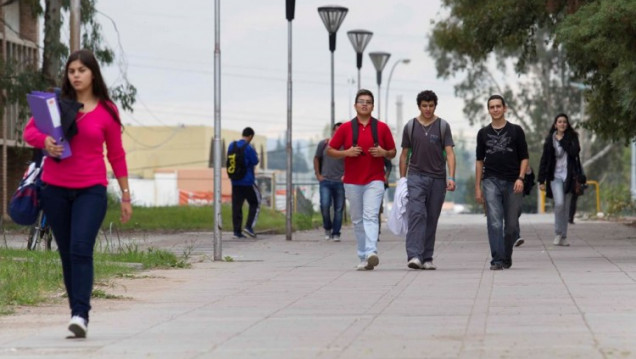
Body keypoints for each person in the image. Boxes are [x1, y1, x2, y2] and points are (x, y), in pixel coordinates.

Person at [23, 49, 132, 338]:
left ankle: (81, 314)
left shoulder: (108, 110)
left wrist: (126, 195)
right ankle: (76, 312)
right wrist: (46, 140)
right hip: (54, 189)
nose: (76, 75)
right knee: (68, 255)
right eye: (72, 71)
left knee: (81, 248)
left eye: (82, 70)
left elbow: (117, 155)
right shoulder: (57, 104)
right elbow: (29, 132)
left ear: (93, 73)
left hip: (91, 190)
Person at [327, 89, 396, 271]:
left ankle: (372, 252)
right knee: (357, 219)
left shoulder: (382, 128)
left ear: (373, 106)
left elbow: (393, 151)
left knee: (371, 215)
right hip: (352, 180)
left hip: (375, 179)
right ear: (355, 105)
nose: (364, 104)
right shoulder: (345, 128)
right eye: (361, 101)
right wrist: (346, 152)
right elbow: (330, 150)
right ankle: (363, 256)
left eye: (368, 101)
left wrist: (383, 153)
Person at [399, 90, 456, 270]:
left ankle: (427, 257)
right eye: (424, 106)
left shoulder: (442, 126)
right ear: (419, 106)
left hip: (438, 179)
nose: (428, 109)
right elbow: (404, 155)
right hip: (415, 176)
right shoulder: (410, 126)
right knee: (417, 214)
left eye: (431, 105)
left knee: (432, 217)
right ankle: (414, 255)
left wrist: (451, 177)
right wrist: (402, 179)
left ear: (435, 106)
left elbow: (450, 153)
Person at [475, 95, 529, 270]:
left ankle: (506, 256)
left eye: (499, 106)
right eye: (492, 107)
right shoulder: (483, 133)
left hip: (513, 182)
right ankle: (497, 259)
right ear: (488, 110)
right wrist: (478, 187)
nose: (495, 109)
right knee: (495, 221)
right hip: (490, 180)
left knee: (512, 225)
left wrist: (521, 178)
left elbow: (524, 158)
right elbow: (479, 161)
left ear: (505, 108)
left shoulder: (516, 131)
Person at [538, 113, 581, 247]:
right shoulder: (549, 140)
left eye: (564, 122)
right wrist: (541, 180)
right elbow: (544, 160)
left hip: (569, 177)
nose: (562, 124)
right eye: (559, 122)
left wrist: (562, 140)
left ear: (567, 125)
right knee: (559, 204)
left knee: (566, 207)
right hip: (554, 177)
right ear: (555, 124)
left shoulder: (572, 137)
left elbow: (575, 151)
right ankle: (557, 233)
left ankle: (564, 236)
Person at [313, 122, 345, 242]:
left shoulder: (346, 146)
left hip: (340, 181)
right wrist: (318, 174)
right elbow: (316, 158)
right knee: (325, 205)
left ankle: (336, 233)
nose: (338, 133)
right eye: (336, 131)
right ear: (332, 132)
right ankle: (327, 228)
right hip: (325, 180)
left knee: (339, 208)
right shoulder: (324, 144)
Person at [228, 127, 261, 239]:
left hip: (235, 181)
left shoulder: (232, 145)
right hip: (247, 181)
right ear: (251, 136)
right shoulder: (249, 147)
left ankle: (237, 232)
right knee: (255, 202)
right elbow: (255, 161)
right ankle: (249, 227)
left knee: (236, 206)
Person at [514, 166, 535, 247]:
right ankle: (515, 236)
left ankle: (512, 234)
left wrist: (528, 170)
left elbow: (529, 174)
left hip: (517, 183)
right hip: (500, 182)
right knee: (510, 211)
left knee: (516, 210)